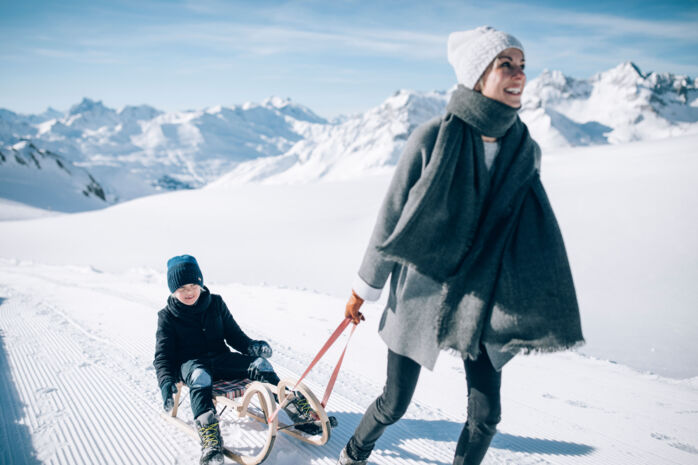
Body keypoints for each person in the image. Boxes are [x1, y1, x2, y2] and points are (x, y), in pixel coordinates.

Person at [337, 26, 583, 465]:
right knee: (395, 404)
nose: (519, 74)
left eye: (523, 65)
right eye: (506, 64)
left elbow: (524, 231)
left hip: (485, 297)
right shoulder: (432, 139)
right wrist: (364, 289)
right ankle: (356, 451)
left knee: (486, 416)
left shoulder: (525, 150)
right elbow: (390, 219)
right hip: (421, 295)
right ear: (476, 75)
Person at [153, 255, 320, 465]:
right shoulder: (167, 316)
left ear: (200, 282)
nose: (188, 292)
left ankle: (298, 414)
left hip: (221, 359)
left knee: (261, 365)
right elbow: (163, 356)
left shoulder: (216, 303)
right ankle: (211, 440)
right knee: (200, 377)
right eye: (181, 288)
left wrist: (251, 347)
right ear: (173, 290)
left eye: (192, 285)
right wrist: (166, 382)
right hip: (192, 364)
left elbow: (234, 335)